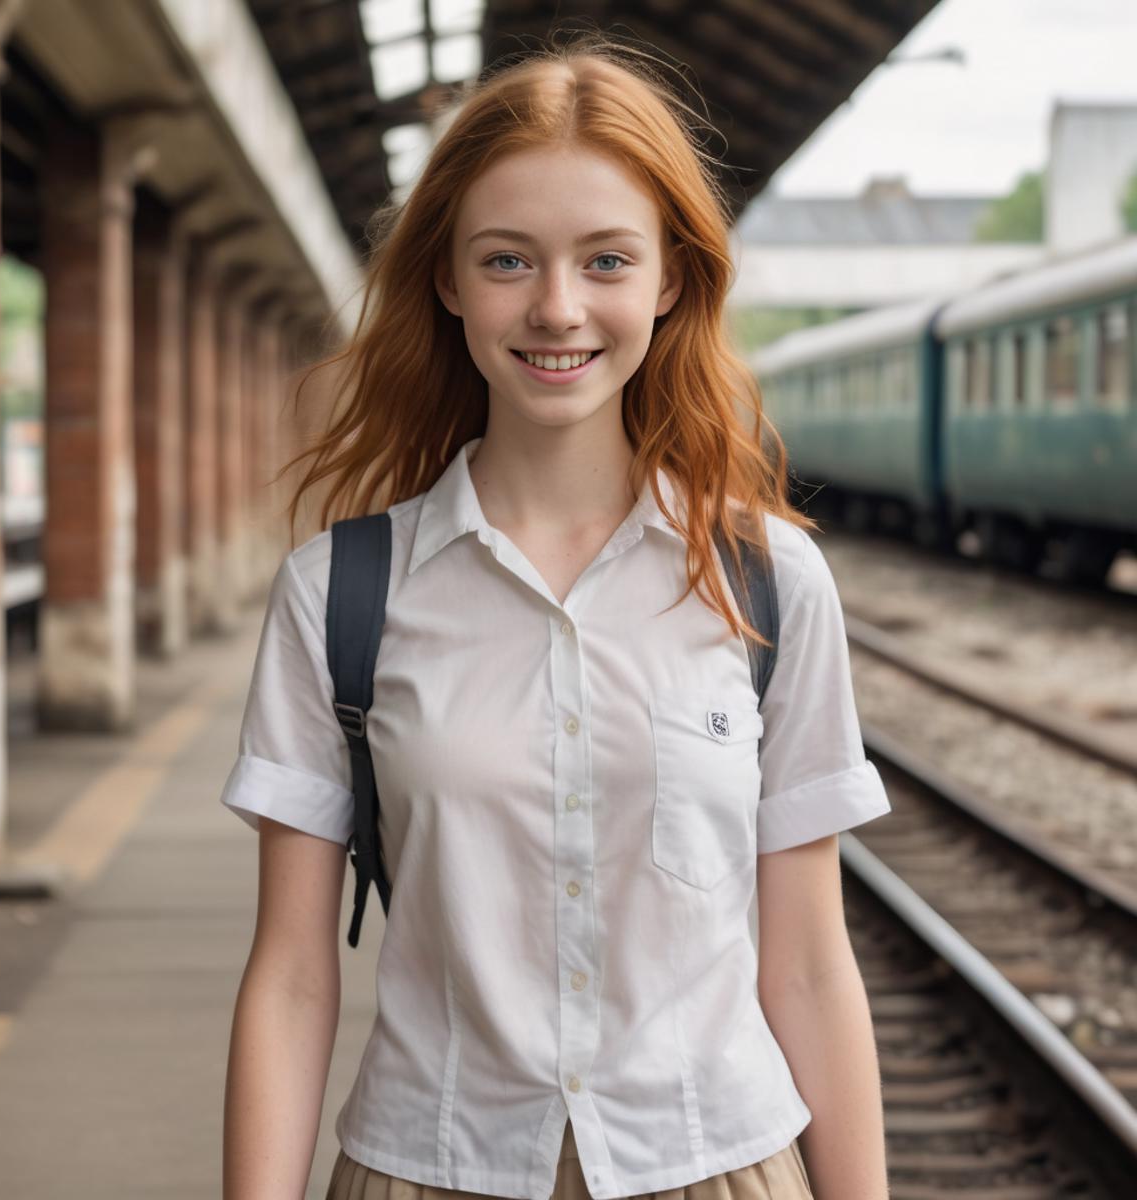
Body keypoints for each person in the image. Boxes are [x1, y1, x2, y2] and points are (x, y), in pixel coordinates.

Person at [219, 30, 893, 1200]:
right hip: (431, 1168)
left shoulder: (770, 583)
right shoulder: (341, 596)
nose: (558, 307)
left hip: (721, 1166)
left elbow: (808, 965)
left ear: (672, 279)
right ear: (446, 279)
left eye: (607, 261)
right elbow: (290, 976)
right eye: (508, 260)